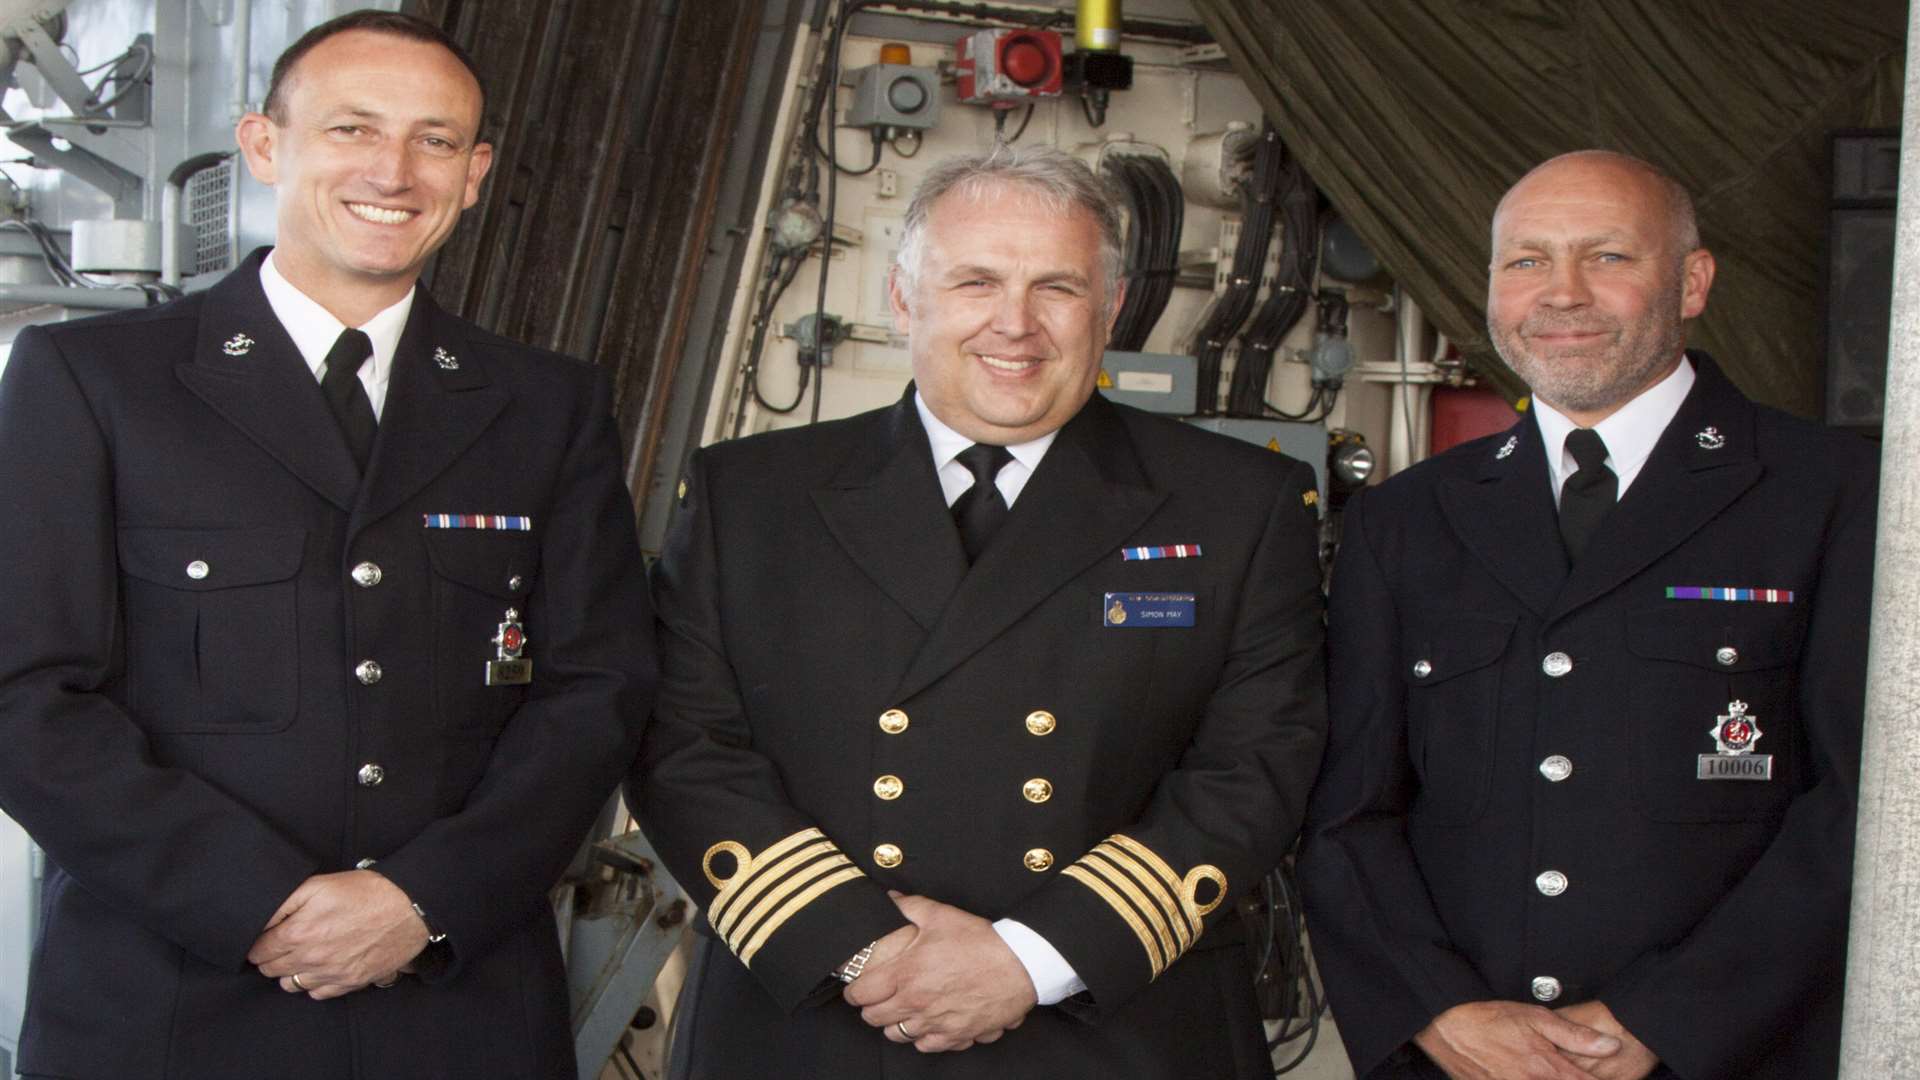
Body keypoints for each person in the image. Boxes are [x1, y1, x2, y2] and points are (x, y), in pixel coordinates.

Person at [0, 11, 654, 1079]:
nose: (394, 171)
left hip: (457, 1005)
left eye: (436, 141)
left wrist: (423, 900)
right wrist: (252, 902)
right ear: (264, 145)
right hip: (170, 1011)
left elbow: (598, 686)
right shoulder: (94, 384)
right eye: (353, 129)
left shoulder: (547, 405)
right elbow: (24, 693)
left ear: (476, 172)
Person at [631, 145, 1326, 1078]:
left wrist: (1029, 962)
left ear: (1111, 308)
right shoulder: (749, 494)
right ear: (903, 298)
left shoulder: (1242, 503)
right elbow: (682, 744)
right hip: (817, 1014)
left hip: (1113, 1023)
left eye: (1058, 288)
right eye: (975, 281)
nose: (1016, 324)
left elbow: (1258, 764)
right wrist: (866, 950)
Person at [1298, 149, 1877, 1080]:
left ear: (1691, 282)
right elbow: (1346, 814)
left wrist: (1665, 1020)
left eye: (1606, 257)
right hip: (1465, 1063)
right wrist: (1440, 1011)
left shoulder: (1838, 496)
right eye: (1525, 261)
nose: (1560, 293)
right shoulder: (1404, 520)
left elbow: (1868, 808)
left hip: (1728, 1056)